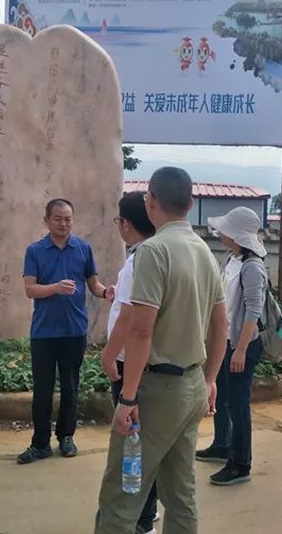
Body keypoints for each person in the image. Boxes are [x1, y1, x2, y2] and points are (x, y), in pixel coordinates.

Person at [94, 167, 229, 534]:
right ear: (190, 203)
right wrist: (211, 379)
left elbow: (140, 329)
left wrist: (127, 397)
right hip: (192, 387)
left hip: (157, 391)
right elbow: (221, 325)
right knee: (180, 494)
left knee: (121, 497)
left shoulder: (154, 251)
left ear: (151, 201)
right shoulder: (204, 250)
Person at [18, 198, 114, 464]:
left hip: (74, 330)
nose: (63, 223)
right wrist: (55, 288)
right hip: (44, 333)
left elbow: (93, 283)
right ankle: (39, 443)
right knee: (43, 389)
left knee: (71, 387)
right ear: (46, 220)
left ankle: (66, 437)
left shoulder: (82, 248)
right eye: (58, 218)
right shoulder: (35, 251)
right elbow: (30, 289)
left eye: (68, 219)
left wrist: (106, 292)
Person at [195, 207, 268, 486]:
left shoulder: (252, 267)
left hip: (243, 345)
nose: (219, 233)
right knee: (223, 396)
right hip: (227, 341)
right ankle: (222, 444)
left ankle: (241, 463)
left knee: (238, 404)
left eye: (225, 230)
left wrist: (239, 349)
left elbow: (253, 310)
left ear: (236, 234)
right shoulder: (232, 258)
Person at [101, 191, 159, 534]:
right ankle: (146, 517)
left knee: (133, 447)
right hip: (150, 365)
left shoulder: (139, 260)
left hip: (128, 368)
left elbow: (128, 319)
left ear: (125, 224)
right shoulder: (154, 255)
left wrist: (109, 357)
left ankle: (141, 521)